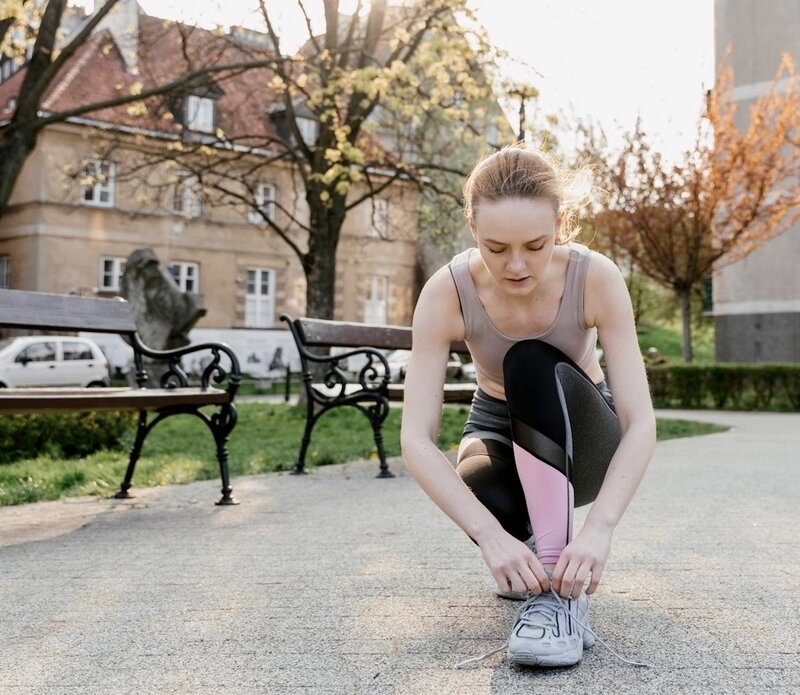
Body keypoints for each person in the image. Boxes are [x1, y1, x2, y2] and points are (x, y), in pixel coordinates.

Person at [400, 143, 656, 668]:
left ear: (561, 224)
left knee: (528, 362)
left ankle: (558, 602)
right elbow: (415, 439)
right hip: (497, 429)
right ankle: (543, 568)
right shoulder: (446, 291)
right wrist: (490, 537)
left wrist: (600, 528)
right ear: (472, 228)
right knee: (479, 486)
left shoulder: (596, 277)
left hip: (583, 438)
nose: (515, 265)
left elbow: (641, 420)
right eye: (496, 248)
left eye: (535, 245)